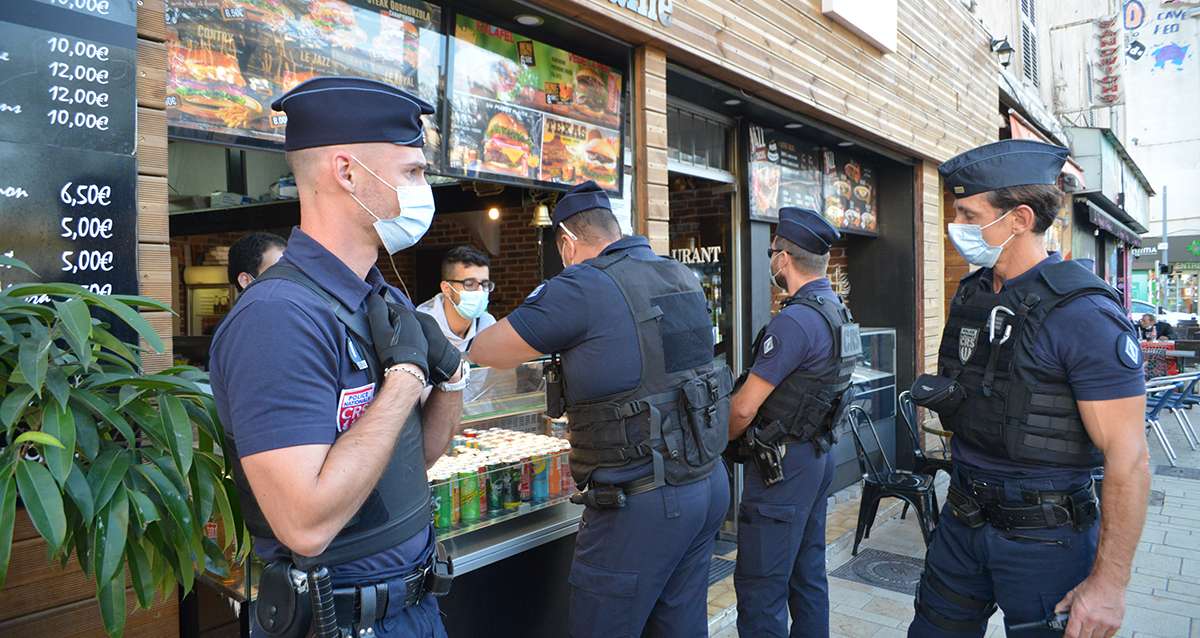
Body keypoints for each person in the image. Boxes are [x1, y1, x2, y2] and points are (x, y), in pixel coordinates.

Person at [209, 77, 471, 638]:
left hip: (417, 605)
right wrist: (404, 378)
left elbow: (411, 459)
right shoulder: (277, 317)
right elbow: (305, 525)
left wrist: (449, 378)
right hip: (337, 621)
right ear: (347, 172)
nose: (425, 189)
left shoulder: (381, 297)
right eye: (413, 172)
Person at [468, 180, 732, 637]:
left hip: (643, 501)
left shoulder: (583, 285)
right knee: (680, 624)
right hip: (706, 482)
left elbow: (486, 349)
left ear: (567, 242)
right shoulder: (677, 274)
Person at [909, 140, 1149, 638]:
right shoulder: (974, 294)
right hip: (962, 519)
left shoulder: (1084, 315)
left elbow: (1129, 458)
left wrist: (1109, 585)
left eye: (967, 213)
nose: (956, 227)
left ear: (1018, 219)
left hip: (1047, 540)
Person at [726, 207, 856, 637]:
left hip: (781, 469)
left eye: (772, 253)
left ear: (783, 258)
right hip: (815, 457)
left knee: (762, 587)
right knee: (807, 576)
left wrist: (714, 445)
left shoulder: (796, 321)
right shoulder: (835, 309)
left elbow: (745, 407)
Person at [416, 245, 497, 352]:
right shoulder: (420, 326)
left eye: (485, 284)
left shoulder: (487, 325)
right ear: (446, 289)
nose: (480, 291)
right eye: (469, 284)